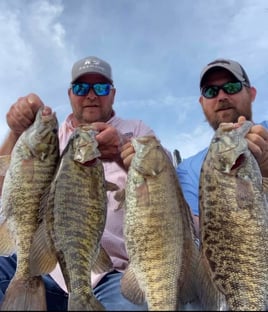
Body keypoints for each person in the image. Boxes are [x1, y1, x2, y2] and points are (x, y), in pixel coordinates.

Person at [0, 56, 172, 311]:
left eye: (100, 88)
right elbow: (9, 190)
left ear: (112, 94)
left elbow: (166, 182)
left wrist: (122, 152)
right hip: (41, 263)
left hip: (111, 273)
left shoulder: (137, 131)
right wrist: (15, 132)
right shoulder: (50, 137)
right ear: (70, 94)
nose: (91, 95)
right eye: (82, 88)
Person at [176, 58, 268, 233]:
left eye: (232, 87)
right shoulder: (187, 169)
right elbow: (194, 232)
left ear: (252, 93)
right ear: (202, 103)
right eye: (210, 91)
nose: (222, 96)